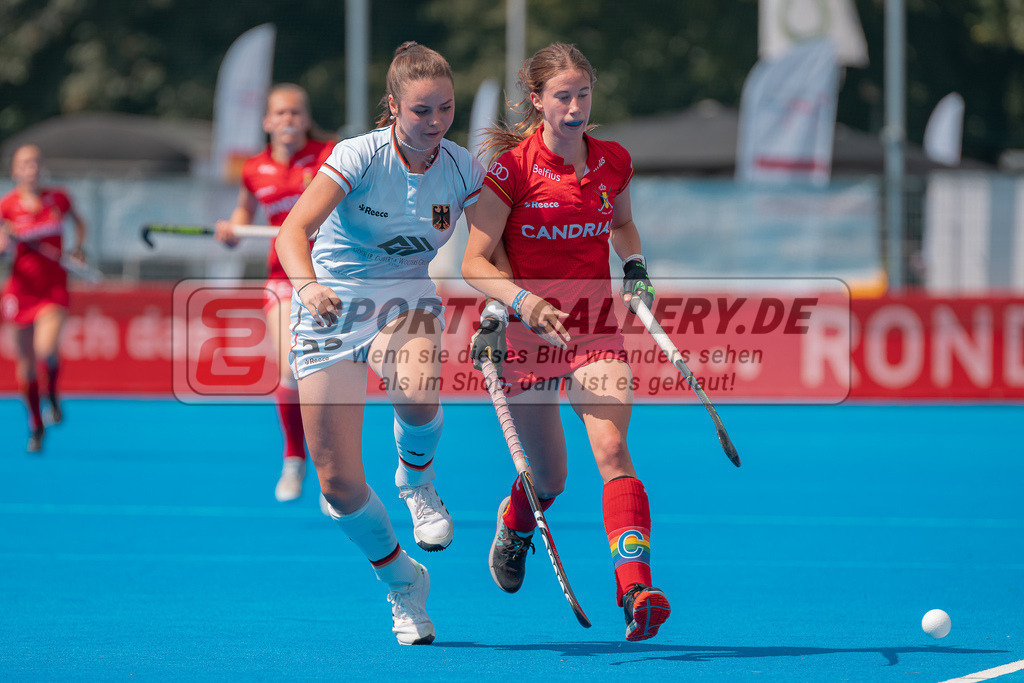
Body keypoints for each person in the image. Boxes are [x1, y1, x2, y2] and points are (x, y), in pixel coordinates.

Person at [275, 42, 484, 645]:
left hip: (406, 300)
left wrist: (513, 296)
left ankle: (417, 481)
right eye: (422, 111)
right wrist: (308, 286)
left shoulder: (463, 168)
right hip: (331, 306)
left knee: (417, 391)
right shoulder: (357, 156)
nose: (436, 122)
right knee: (337, 483)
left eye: (446, 108)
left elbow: (492, 246)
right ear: (392, 107)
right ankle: (403, 583)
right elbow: (295, 231)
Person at [461, 43, 670, 642]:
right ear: (537, 100)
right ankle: (517, 520)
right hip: (528, 335)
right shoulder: (512, 171)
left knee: (611, 451)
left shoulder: (612, 161)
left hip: (596, 330)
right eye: (562, 96)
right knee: (550, 480)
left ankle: (634, 588)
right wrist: (522, 302)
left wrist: (634, 264)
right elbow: (474, 261)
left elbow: (622, 223)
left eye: (583, 94)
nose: (575, 107)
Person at [215, 84, 334, 504]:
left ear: (306, 119)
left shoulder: (329, 156)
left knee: (324, 376)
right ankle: (293, 458)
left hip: (331, 278)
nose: (288, 120)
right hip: (281, 277)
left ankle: (330, 470)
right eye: (280, 113)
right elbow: (245, 212)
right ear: (267, 121)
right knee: (290, 370)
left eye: (295, 113)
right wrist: (232, 228)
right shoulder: (253, 169)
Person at [0, 144, 87, 453]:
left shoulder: (58, 199)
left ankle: (52, 391)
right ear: (15, 170)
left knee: (45, 349)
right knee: (24, 367)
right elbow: (1, 248)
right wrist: (7, 241)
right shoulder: (7, 207)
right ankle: (36, 425)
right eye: (25, 163)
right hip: (20, 291)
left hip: (53, 289)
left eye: (36, 162)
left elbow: (80, 224)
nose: (32, 168)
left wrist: (78, 248)